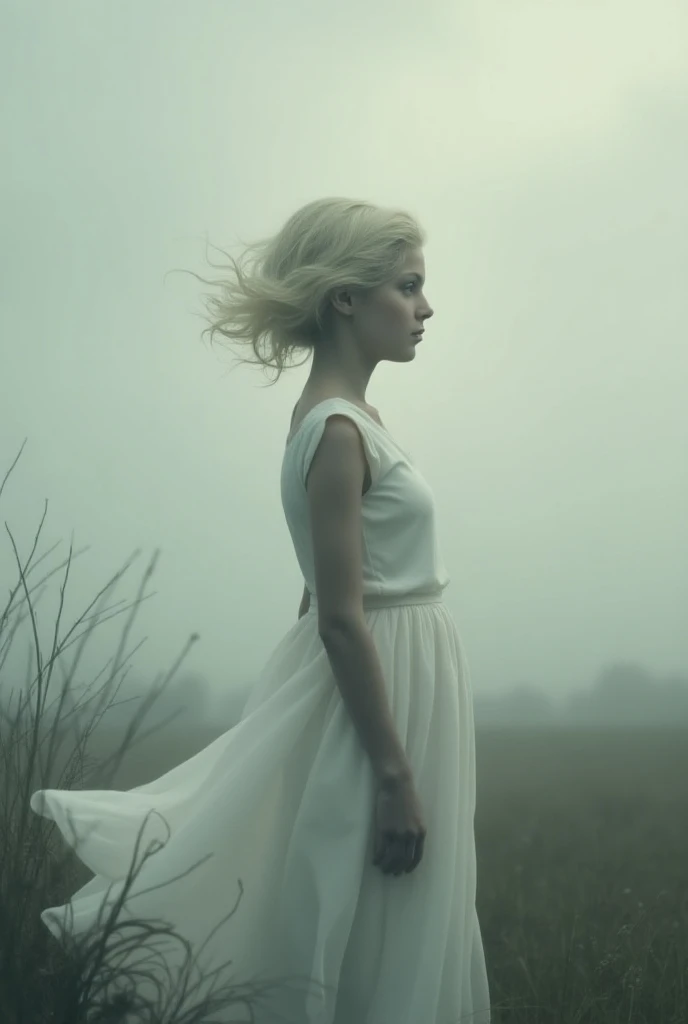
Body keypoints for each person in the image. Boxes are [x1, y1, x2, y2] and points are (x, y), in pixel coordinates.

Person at [30, 198, 491, 1023]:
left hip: (402, 683)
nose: (426, 308)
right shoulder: (340, 431)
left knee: (382, 904)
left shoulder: (337, 423)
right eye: (408, 285)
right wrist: (391, 773)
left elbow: (317, 591)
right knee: (375, 901)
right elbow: (339, 614)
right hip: (385, 690)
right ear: (345, 298)